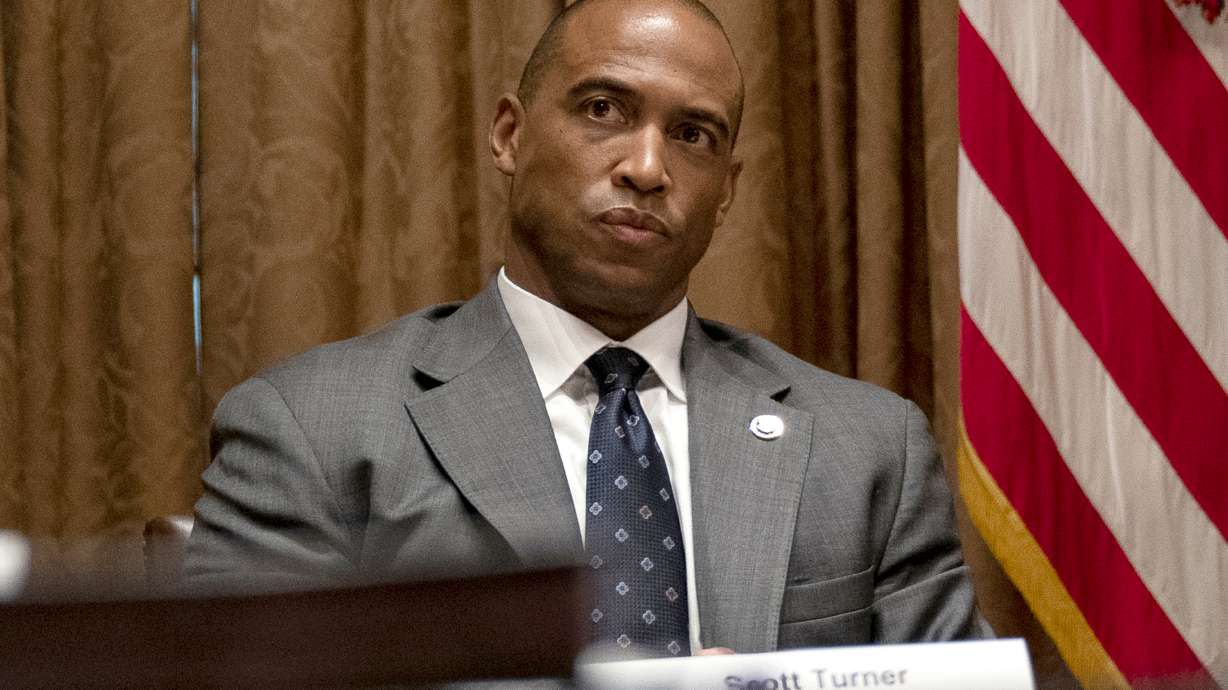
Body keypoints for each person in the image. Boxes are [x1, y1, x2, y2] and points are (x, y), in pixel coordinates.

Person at [185, 0, 986, 657]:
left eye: (692, 135)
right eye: (604, 109)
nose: (647, 167)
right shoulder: (312, 433)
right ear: (510, 135)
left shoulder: (870, 448)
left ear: (727, 190)